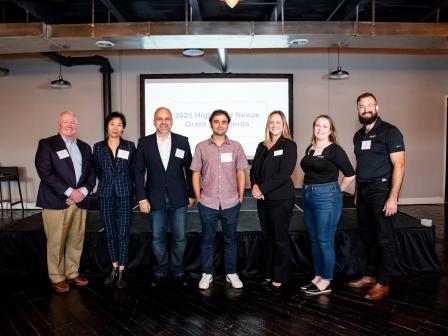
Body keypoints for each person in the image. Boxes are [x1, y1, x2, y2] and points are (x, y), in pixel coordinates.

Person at [348, 92, 405, 300]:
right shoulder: (357, 136)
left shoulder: (391, 132)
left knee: (384, 238)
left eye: (369, 105)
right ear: (358, 110)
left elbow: (399, 165)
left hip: (382, 191)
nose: (366, 110)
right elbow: (360, 165)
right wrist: (356, 192)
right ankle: (370, 275)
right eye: (361, 106)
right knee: (367, 236)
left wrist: (393, 197)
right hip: (363, 192)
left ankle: (384, 282)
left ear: (377, 107)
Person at [35, 111, 96, 293]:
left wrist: (83, 191)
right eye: (66, 122)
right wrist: (70, 192)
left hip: (80, 201)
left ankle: (72, 272)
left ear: (77, 126)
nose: (70, 125)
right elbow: (45, 172)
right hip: (56, 201)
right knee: (56, 241)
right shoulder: (47, 144)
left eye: (73, 123)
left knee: (76, 239)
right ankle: (57, 276)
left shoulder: (85, 147)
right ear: (59, 124)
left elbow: (91, 173)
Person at [135, 107, 195, 287]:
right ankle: (160, 270)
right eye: (159, 119)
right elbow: (138, 172)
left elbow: (190, 169)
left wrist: (192, 193)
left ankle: (178, 270)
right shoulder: (144, 143)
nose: (163, 122)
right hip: (154, 198)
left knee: (180, 237)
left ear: (172, 121)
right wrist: (142, 198)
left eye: (167, 118)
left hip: (179, 198)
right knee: (157, 238)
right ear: (154, 121)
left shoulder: (182, 141)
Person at [191, 109, 249, 290]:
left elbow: (241, 172)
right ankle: (207, 273)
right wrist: (199, 197)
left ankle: (231, 273)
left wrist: (240, 196)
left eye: (224, 121)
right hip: (207, 203)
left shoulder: (236, 146)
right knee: (207, 240)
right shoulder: (201, 146)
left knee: (230, 240)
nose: (220, 124)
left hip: (231, 202)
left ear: (228, 124)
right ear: (211, 124)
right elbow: (195, 173)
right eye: (216, 121)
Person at [300, 115, 355, 295]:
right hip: (307, 196)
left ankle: (326, 280)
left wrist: (336, 191)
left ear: (330, 130)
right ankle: (318, 275)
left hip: (326, 197)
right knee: (315, 241)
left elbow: (350, 174)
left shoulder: (335, 150)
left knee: (325, 241)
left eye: (325, 126)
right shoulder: (311, 148)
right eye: (317, 125)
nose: (320, 129)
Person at [250, 111, 297, 290]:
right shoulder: (262, 146)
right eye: (271, 122)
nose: (275, 125)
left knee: (280, 238)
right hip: (263, 199)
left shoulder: (289, 145)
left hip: (281, 199)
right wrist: (254, 186)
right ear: (267, 124)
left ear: (283, 124)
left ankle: (280, 276)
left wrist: (262, 188)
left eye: (278, 122)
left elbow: (284, 174)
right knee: (268, 238)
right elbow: (253, 170)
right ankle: (269, 273)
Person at [92, 112, 135, 289]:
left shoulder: (130, 146)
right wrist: (109, 182)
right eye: (112, 124)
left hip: (125, 193)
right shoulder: (98, 147)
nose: (115, 128)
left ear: (123, 127)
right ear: (106, 126)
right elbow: (97, 171)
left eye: (119, 124)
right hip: (105, 194)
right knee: (110, 233)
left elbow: (134, 170)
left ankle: (123, 271)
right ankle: (114, 267)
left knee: (123, 233)